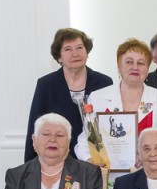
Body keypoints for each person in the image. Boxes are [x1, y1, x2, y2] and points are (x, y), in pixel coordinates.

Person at [24, 28, 113, 161]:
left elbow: (110, 123)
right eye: (68, 49)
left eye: (79, 47)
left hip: (95, 161)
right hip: (58, 161)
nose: (75, 54)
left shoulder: (104, 82)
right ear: (59, 57)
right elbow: (35, 126)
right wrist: (30, 167)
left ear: (87, 52)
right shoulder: (46, 85)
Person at [75, 39, 157, 162]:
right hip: (107, 170)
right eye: (129, 62)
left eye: (141, 63)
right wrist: (90, 159)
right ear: (119, 67)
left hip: (148, 168)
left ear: (147, 69)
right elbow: (86, 138)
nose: (135, 67)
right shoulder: (97, 98)